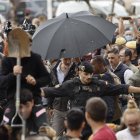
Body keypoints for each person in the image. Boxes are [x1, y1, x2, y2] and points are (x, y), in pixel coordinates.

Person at [0, 30, 51, 124]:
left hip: (33, 98)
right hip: (13, 100)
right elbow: (2, 82)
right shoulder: (7, 60)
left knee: (42, 123)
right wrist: (13, 75)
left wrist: (36, 81)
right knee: (6, 124)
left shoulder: (35, 58)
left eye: (29, 45)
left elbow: (47, 78)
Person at [48, 58, 77, 135]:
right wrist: (50, 106)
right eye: (66, 59)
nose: (68, 61)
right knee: (56, 135)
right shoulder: (53, 69)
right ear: (61, 58)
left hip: (72, 108)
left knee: (72, 135)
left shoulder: (76, 69)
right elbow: (50, 88)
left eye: (70, 59)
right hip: (58, 108)